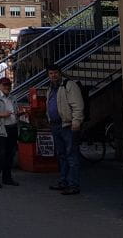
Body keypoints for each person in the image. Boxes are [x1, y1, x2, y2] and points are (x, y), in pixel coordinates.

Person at [47, 64, 84, 195]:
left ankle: (74, 184)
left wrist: (76, 121)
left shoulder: (69, 85)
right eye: (51, 74)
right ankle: (64, 181)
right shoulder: (51, 88)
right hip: (56, 125)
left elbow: (77, 105)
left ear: (60, 73)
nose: (53, 75)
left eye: (55, 73)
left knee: (71, 155)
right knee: (62, 155)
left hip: (67, 125)